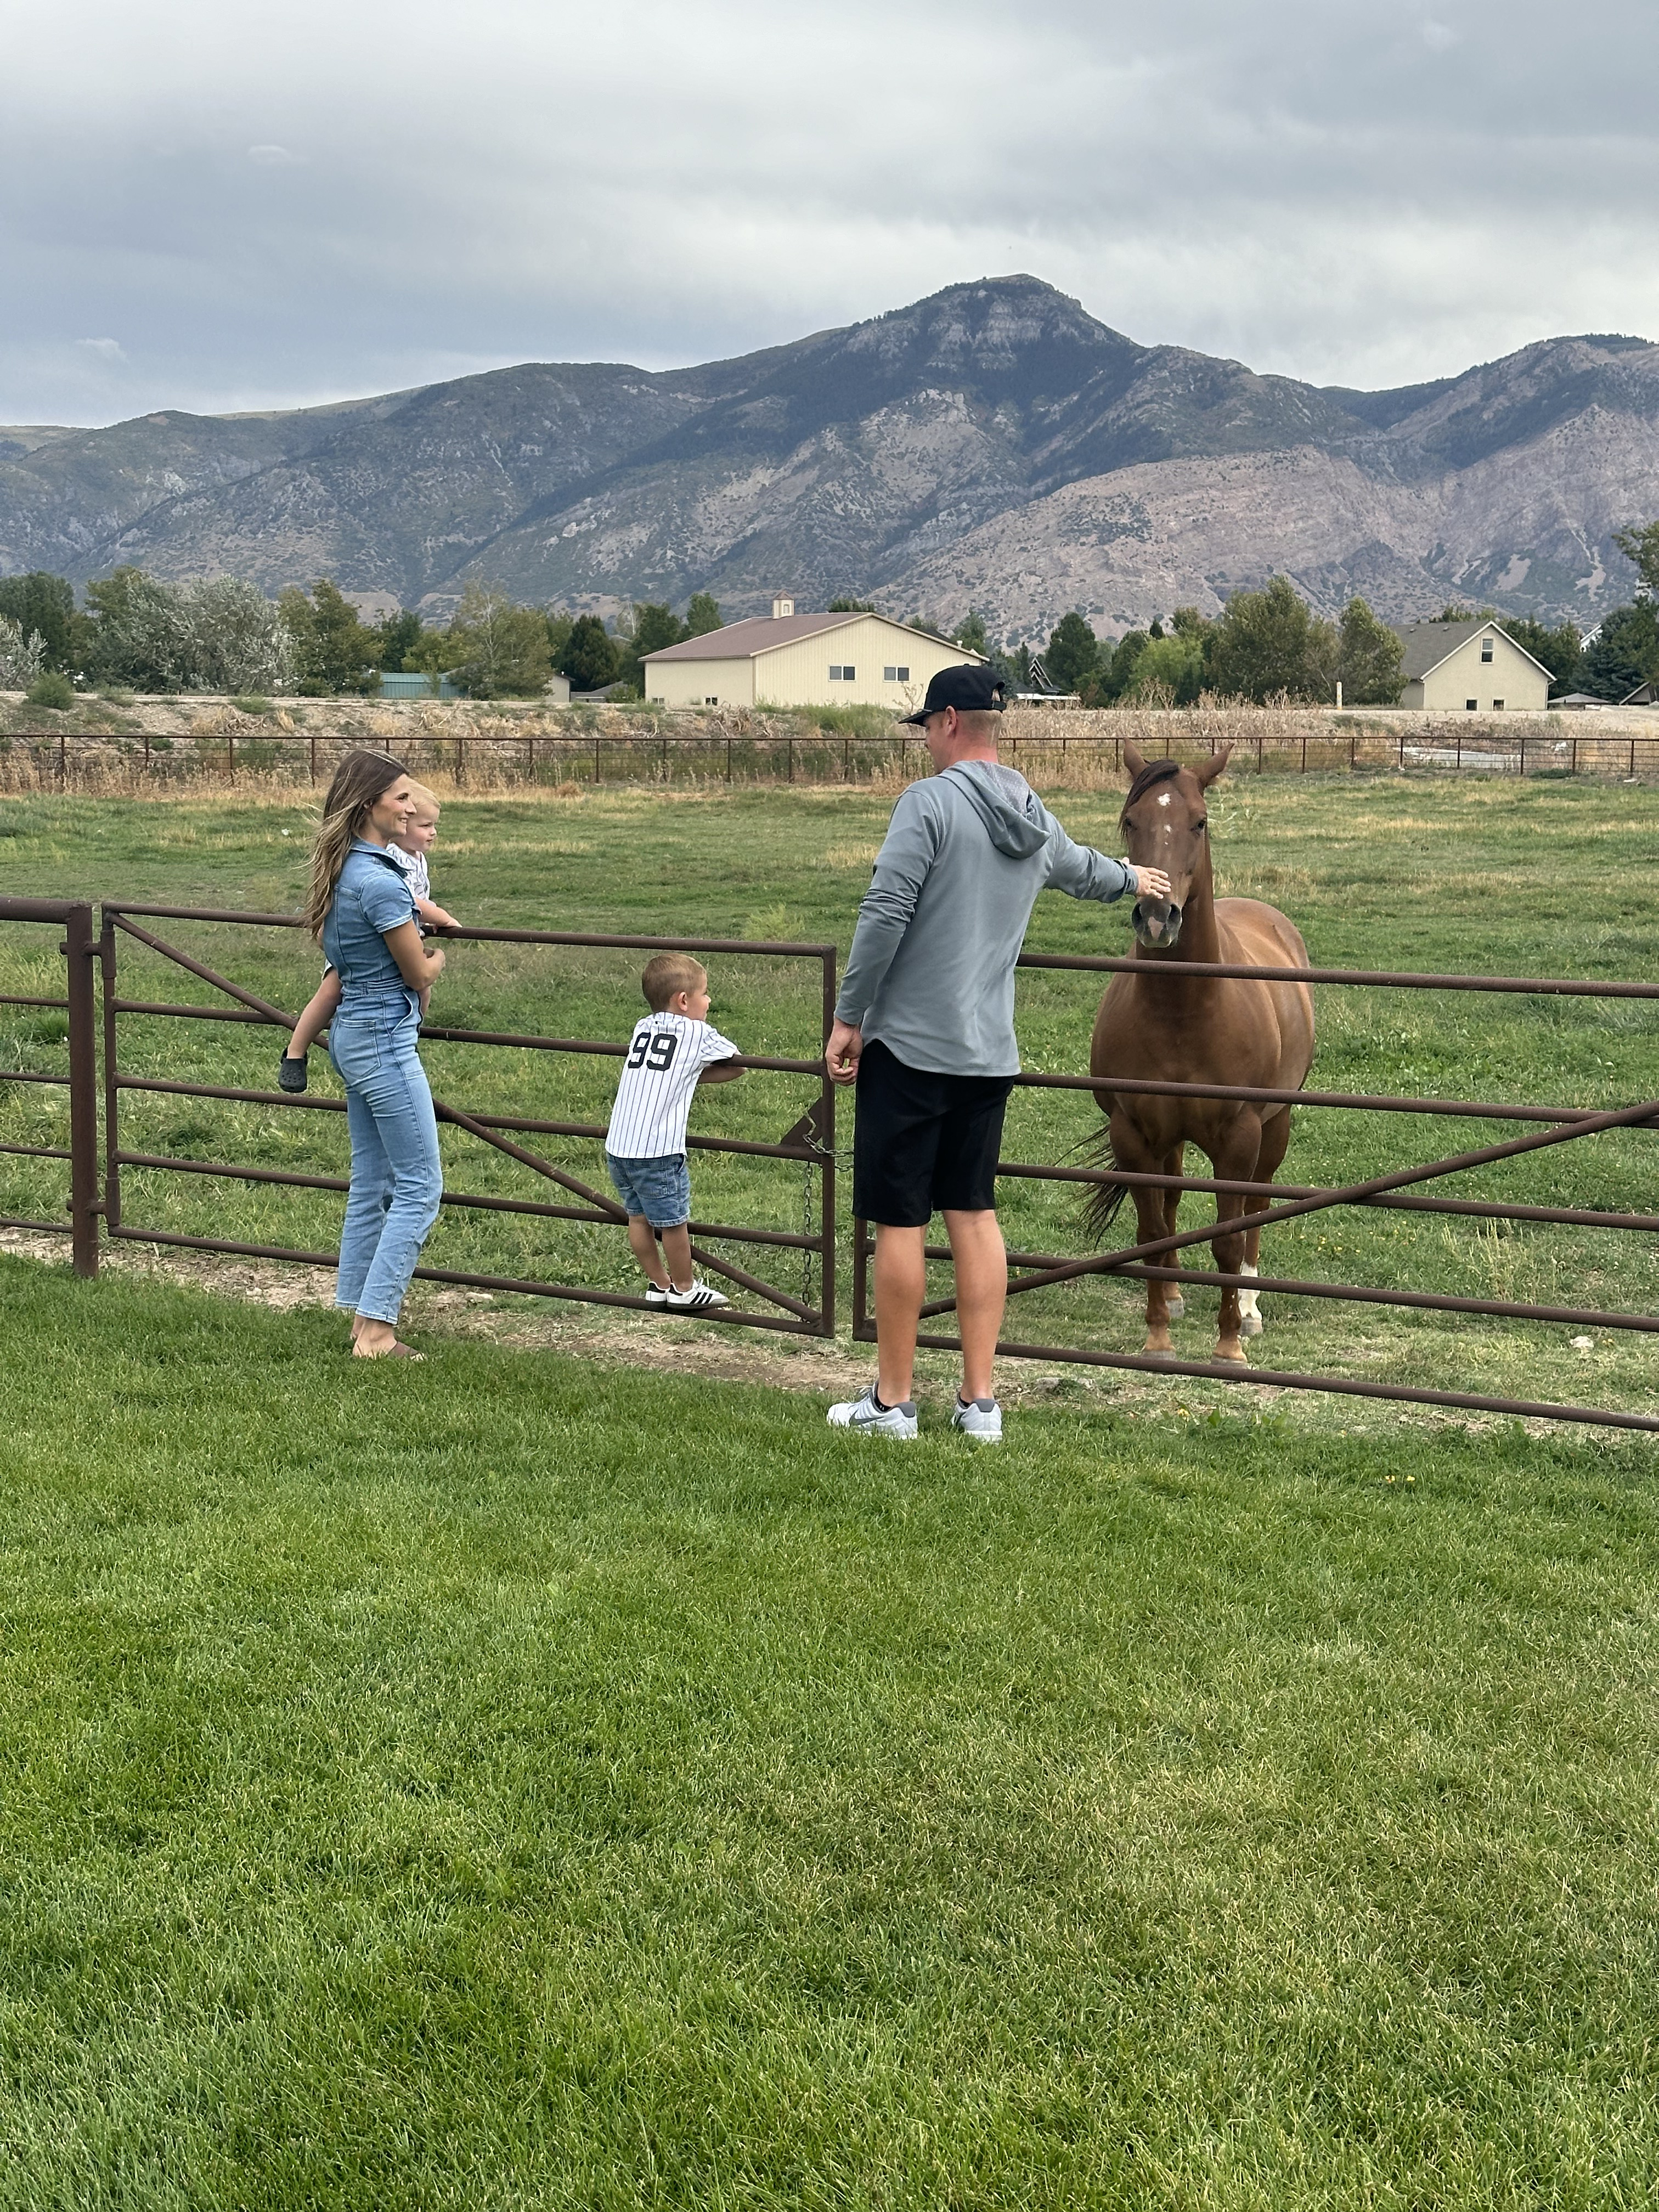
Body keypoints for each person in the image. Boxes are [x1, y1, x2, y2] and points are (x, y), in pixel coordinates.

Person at [823, 665, 1171, 1441]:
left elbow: (884, 912)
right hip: (988, 1055)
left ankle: (892, 1402)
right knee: (975, 1215)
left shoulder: (928, 804)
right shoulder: (1030, 813)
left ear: (949, 721)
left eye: (926, 726)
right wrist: (1133, 880)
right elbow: (1081, 870)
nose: (925, 740)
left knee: (900, 1222)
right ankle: (980, 1403)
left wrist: (849, 1017)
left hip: (910, 1049)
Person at [303, 749, 448, 1359]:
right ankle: (378, 1331)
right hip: (385, 1040)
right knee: (421, 1186)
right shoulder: (383, 883)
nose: (410, 808)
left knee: (372, 1180)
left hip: (351, 1036)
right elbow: (418, 972)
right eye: (401, 798)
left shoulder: (346, 871)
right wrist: (440, 957)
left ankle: (359, 1317)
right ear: (371, 806)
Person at [280, 780, 459, 1092]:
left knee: (422, 992)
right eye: (425, 825)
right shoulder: (390, 859)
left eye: (434, 825)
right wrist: (445, 921)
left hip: (395, 939)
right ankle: (295, 1052)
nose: (432, 833)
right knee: (331, 991)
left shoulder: (416, 857)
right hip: (364, 946)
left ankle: (407, 1042)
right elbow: (410, 900)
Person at [605, 953, 745, 1312]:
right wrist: (692, 1076)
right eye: (704, 994)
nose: (709, 1001)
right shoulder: (697, 1032)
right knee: (673, 1223)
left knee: (638, 1218)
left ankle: (658, 1284)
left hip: (619, 1146)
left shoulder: (643, 1026)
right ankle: (684, 1288)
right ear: (683, 1001)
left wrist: (684, 1076)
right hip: (657, 1150)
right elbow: (737, 1065)